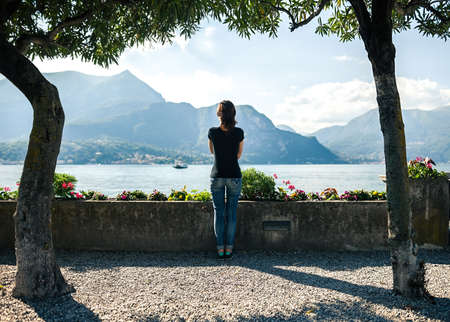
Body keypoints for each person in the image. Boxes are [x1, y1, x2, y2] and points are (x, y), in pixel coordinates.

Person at [208, 100, 244, 259]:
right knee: (231, 213)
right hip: (234, 176)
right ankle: (229, 248)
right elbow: (239, 155)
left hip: (217, 176)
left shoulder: (212, 132)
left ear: (219, 114)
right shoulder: (239, 132)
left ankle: (219, 248)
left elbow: (212, 152)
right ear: (233, 114)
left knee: (219, 212)